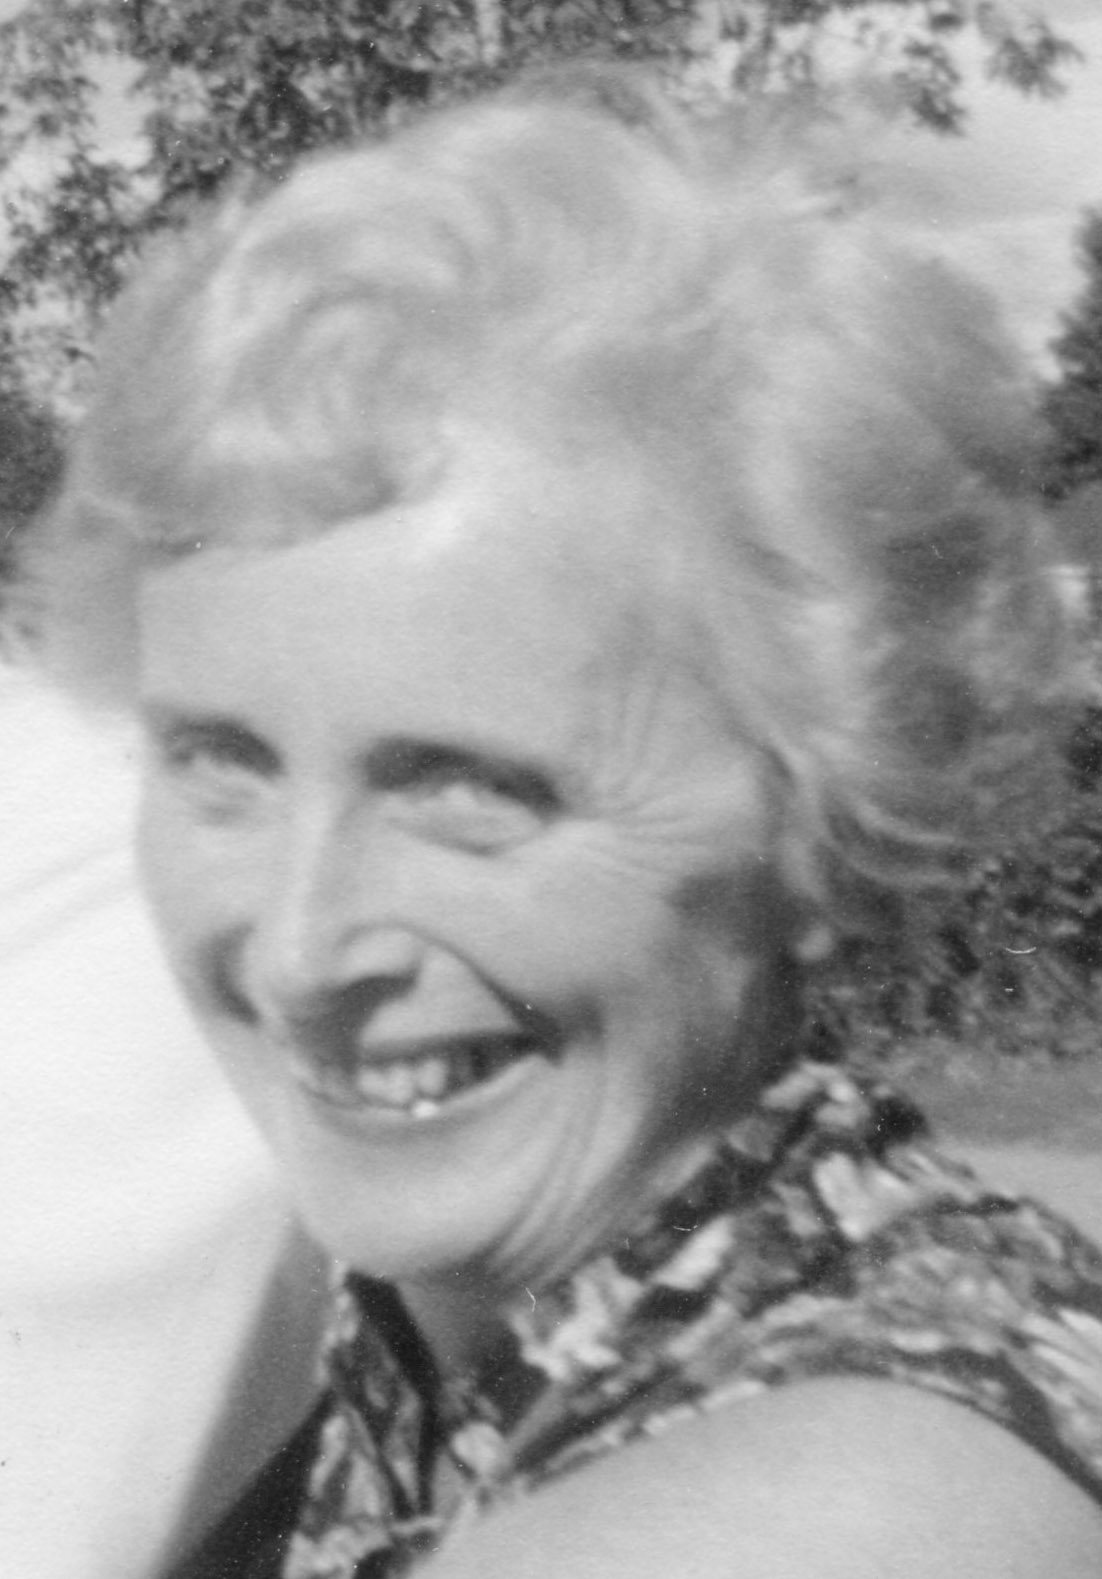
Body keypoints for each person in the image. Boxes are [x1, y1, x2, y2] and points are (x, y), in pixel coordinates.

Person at [21, 65, 1102, 1579]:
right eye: (222, 762)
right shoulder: (428, 1357)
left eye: (468, 788)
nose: (297, 953)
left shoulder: (875, 1492)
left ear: (824, 831)